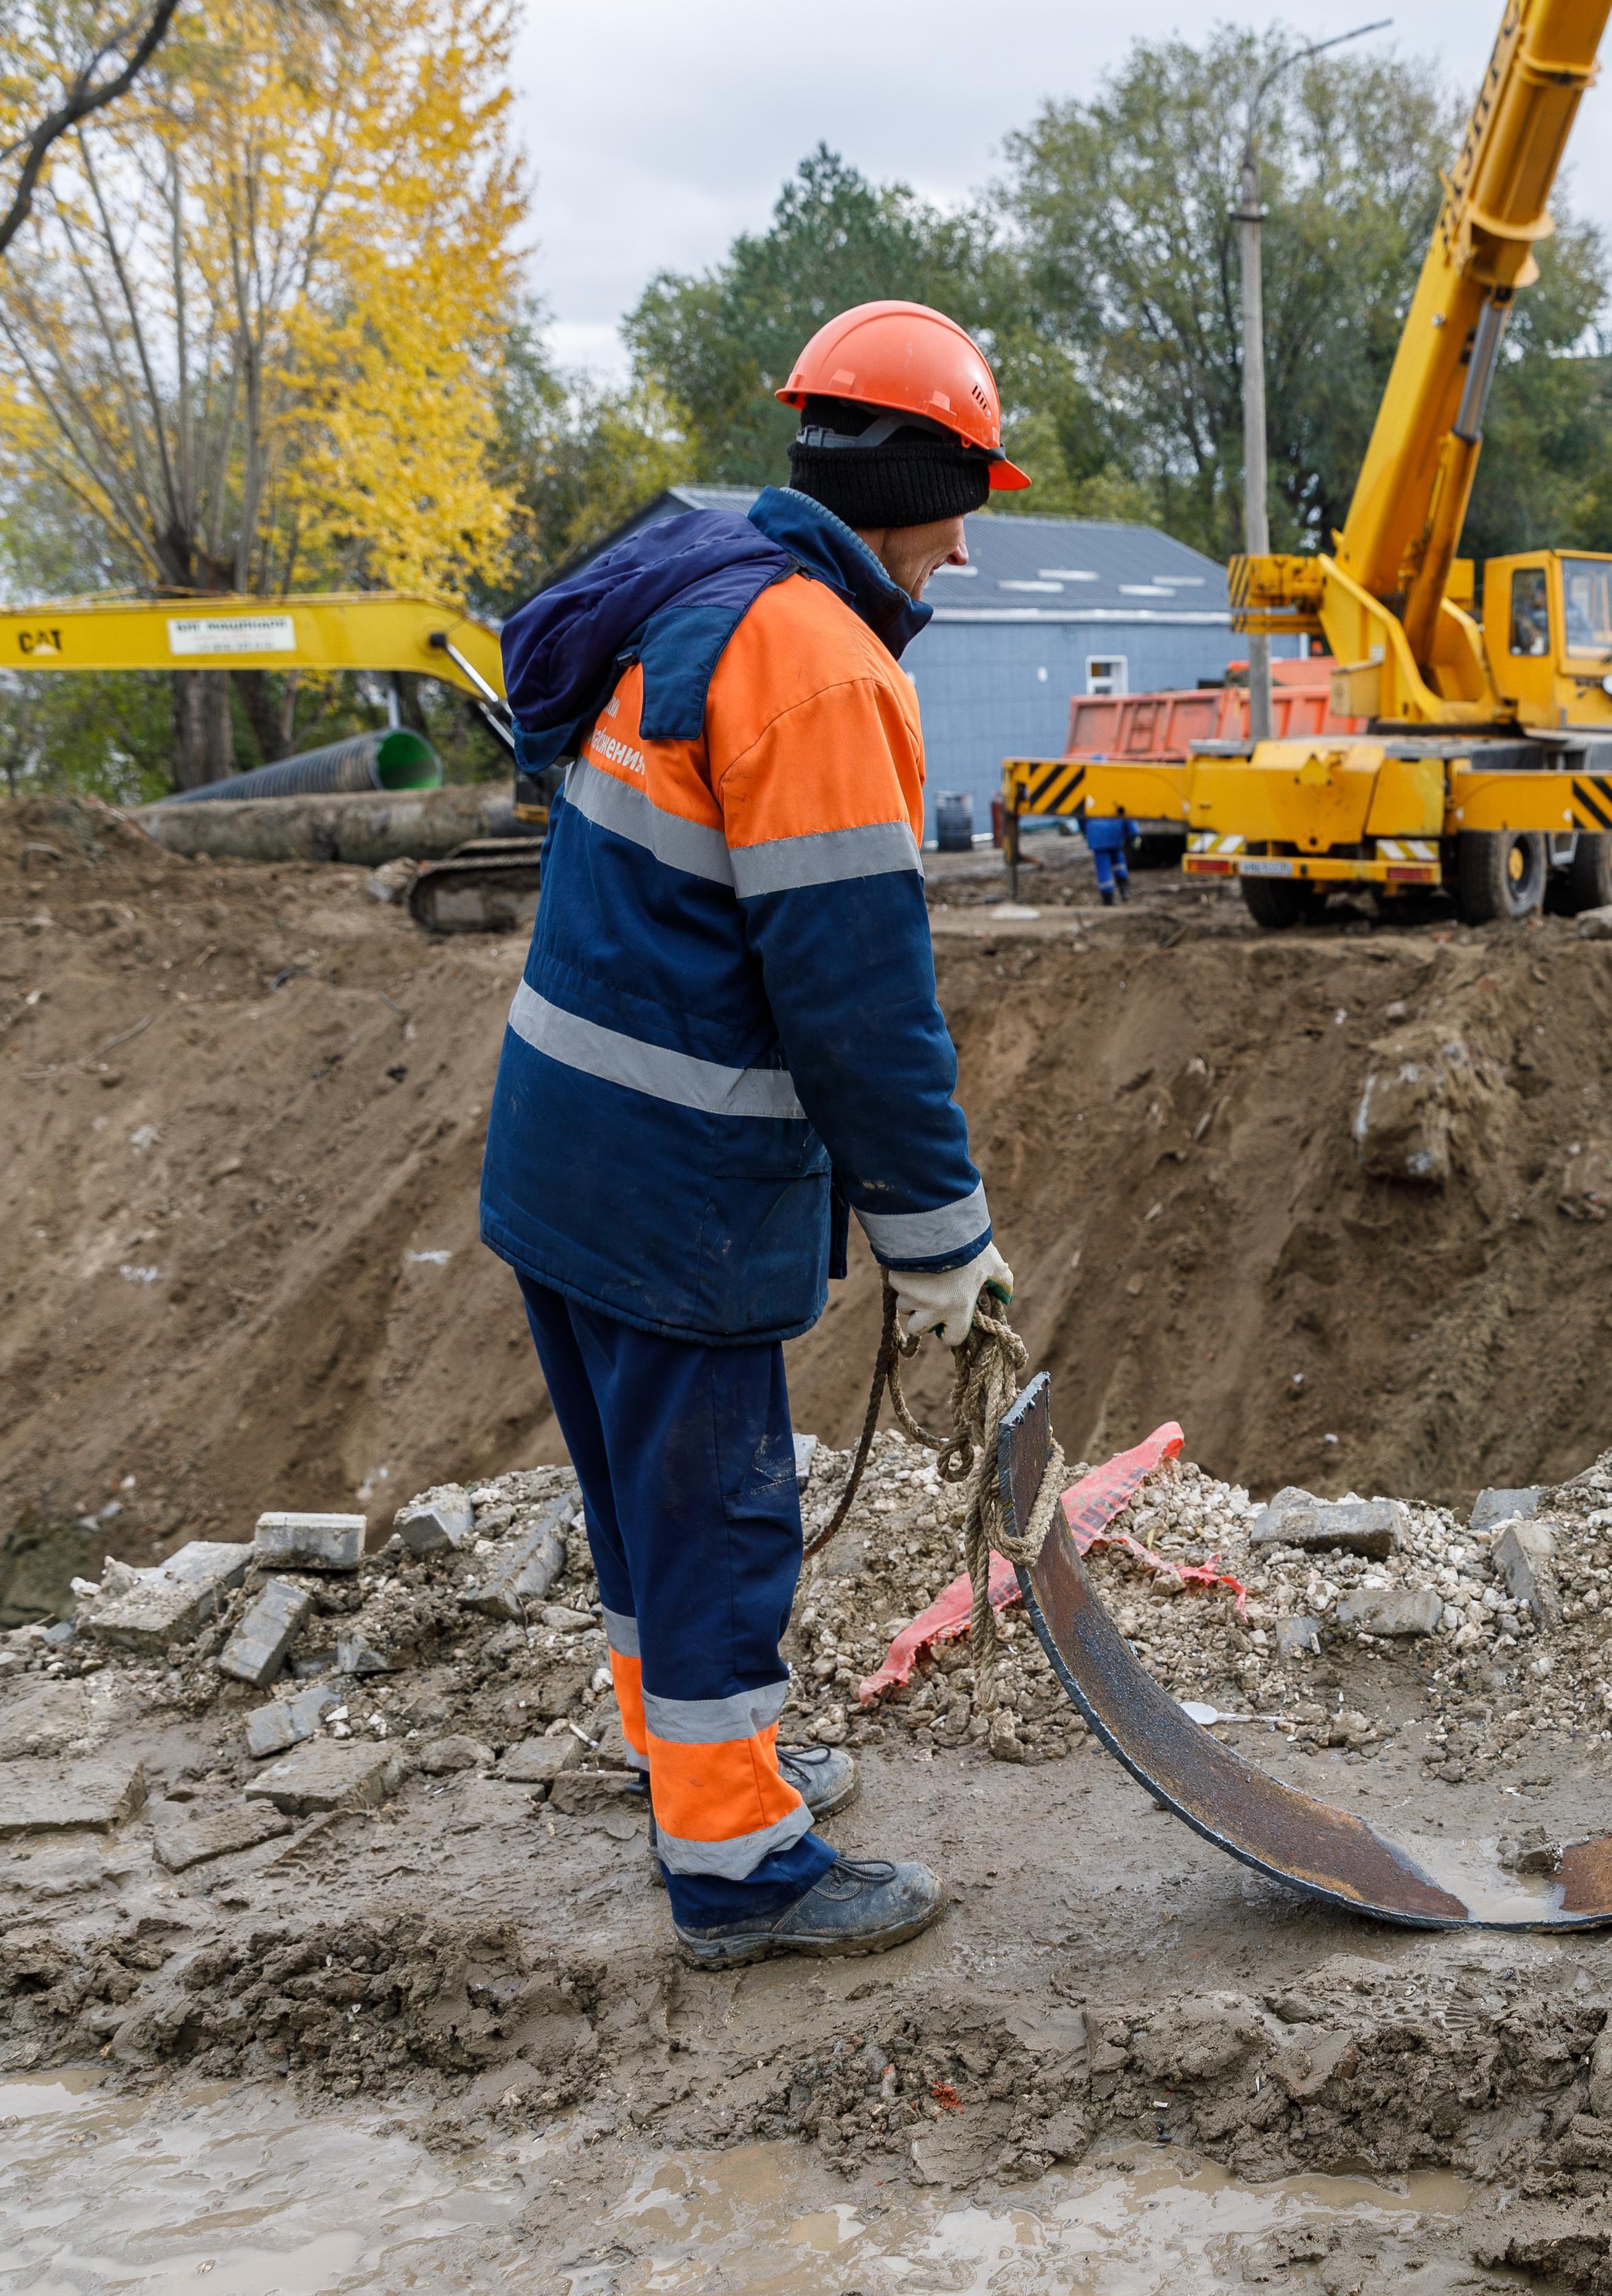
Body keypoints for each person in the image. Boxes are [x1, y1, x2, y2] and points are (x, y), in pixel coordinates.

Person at [482, 300, 1026, 1972]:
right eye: (963, 501)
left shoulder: (704, 596)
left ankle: (694, 1764)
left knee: (646, 1510)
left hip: (564, 1157)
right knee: (717, 1515)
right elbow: (857, 1004)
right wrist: (945, 1251)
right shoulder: (820, 662)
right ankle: (738, 1868)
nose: (961, 541)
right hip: (674, 1192)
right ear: (916, 475)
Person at [1084, 811, 1134, 906]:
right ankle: (1124, 888)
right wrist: (1133, 832)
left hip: (1097, 835)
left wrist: (1086, 831)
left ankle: (1108, 899)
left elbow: (1081, 817)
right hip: (1115, 831)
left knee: (1103, 868)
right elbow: (1127, 812)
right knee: (1119, 862)